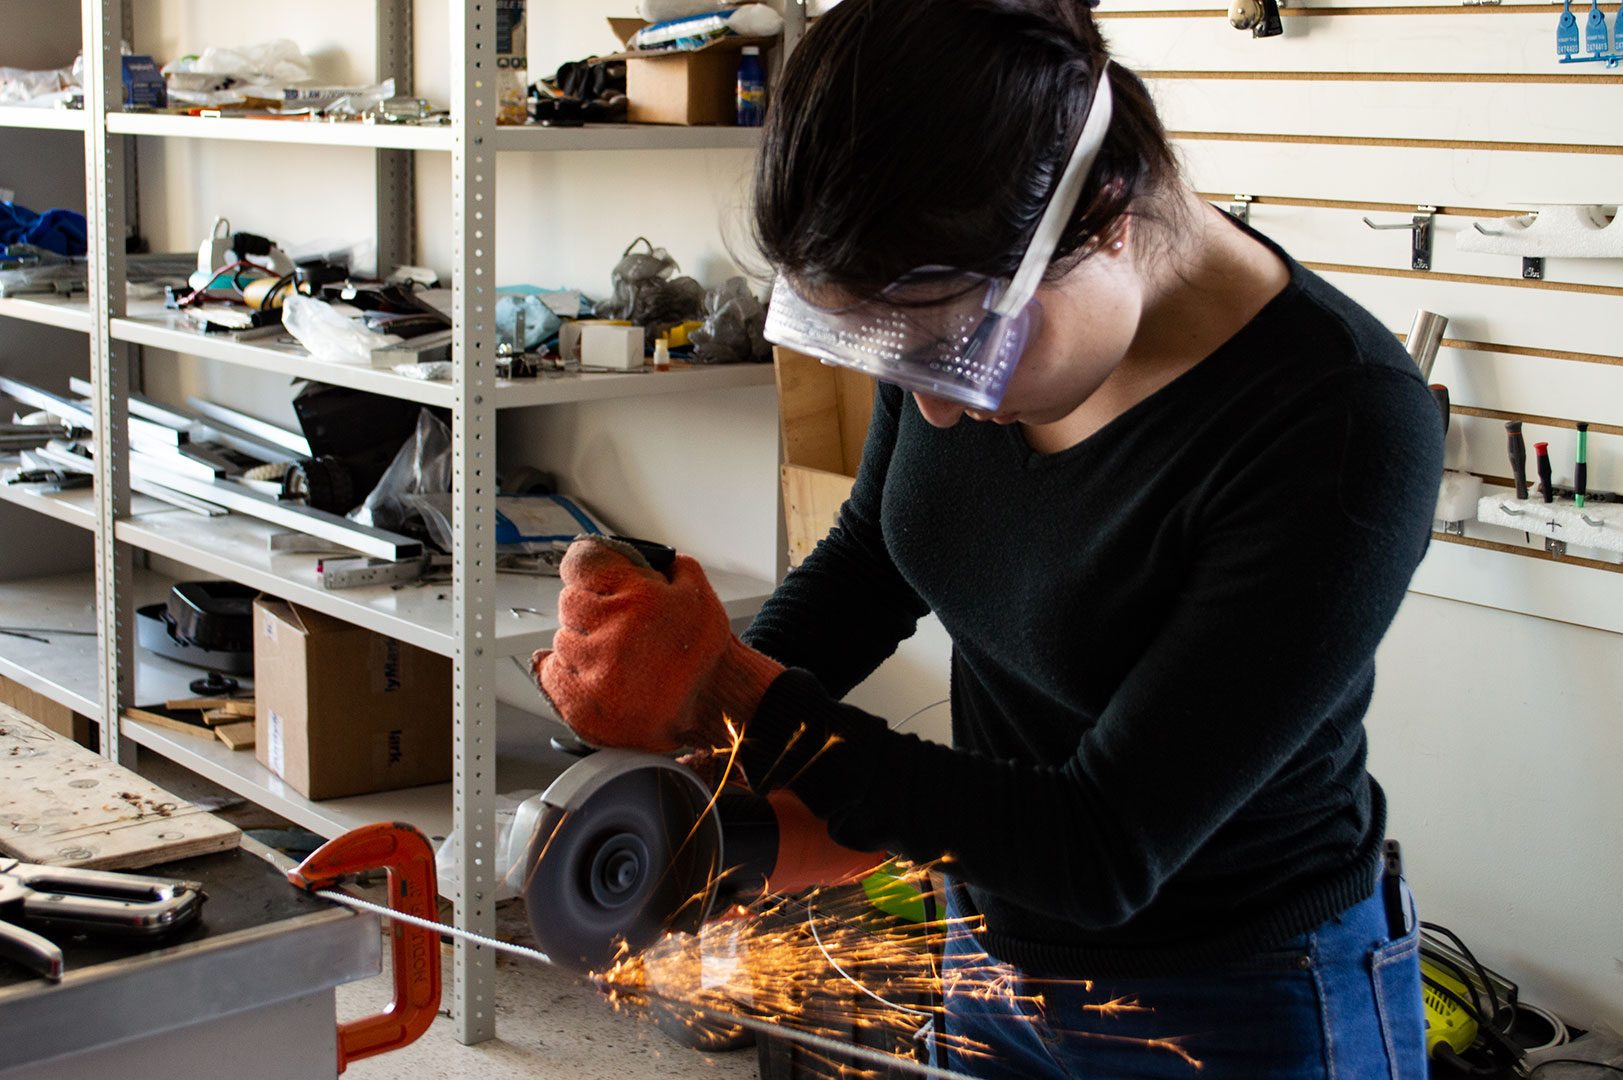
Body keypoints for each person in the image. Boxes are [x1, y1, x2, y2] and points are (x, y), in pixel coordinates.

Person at [532, 0, 1444, 1076]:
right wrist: (704, 738)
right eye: (892, 357)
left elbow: (1102, 847)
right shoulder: (956, 312)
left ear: (1102, 218)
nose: (933, 412)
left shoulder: (1337, 426)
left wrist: (737, 689)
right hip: (984, 951)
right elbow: (879, 553)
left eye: (953, 354)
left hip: (1239, 999)